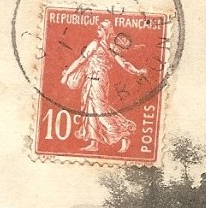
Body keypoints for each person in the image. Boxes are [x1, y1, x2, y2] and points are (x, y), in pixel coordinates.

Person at [60, 19, 148, 154]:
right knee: (90, 110)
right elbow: (81, 60)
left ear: (106, 32)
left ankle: (124, 135)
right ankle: (93, 142)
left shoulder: (107, 47)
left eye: (100, 29)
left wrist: (137, 71)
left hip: (99, 81)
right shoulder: (98, 45)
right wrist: (68, 74)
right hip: (90, 81)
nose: (98, 31)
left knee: (101, 111)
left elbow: (124, 63)